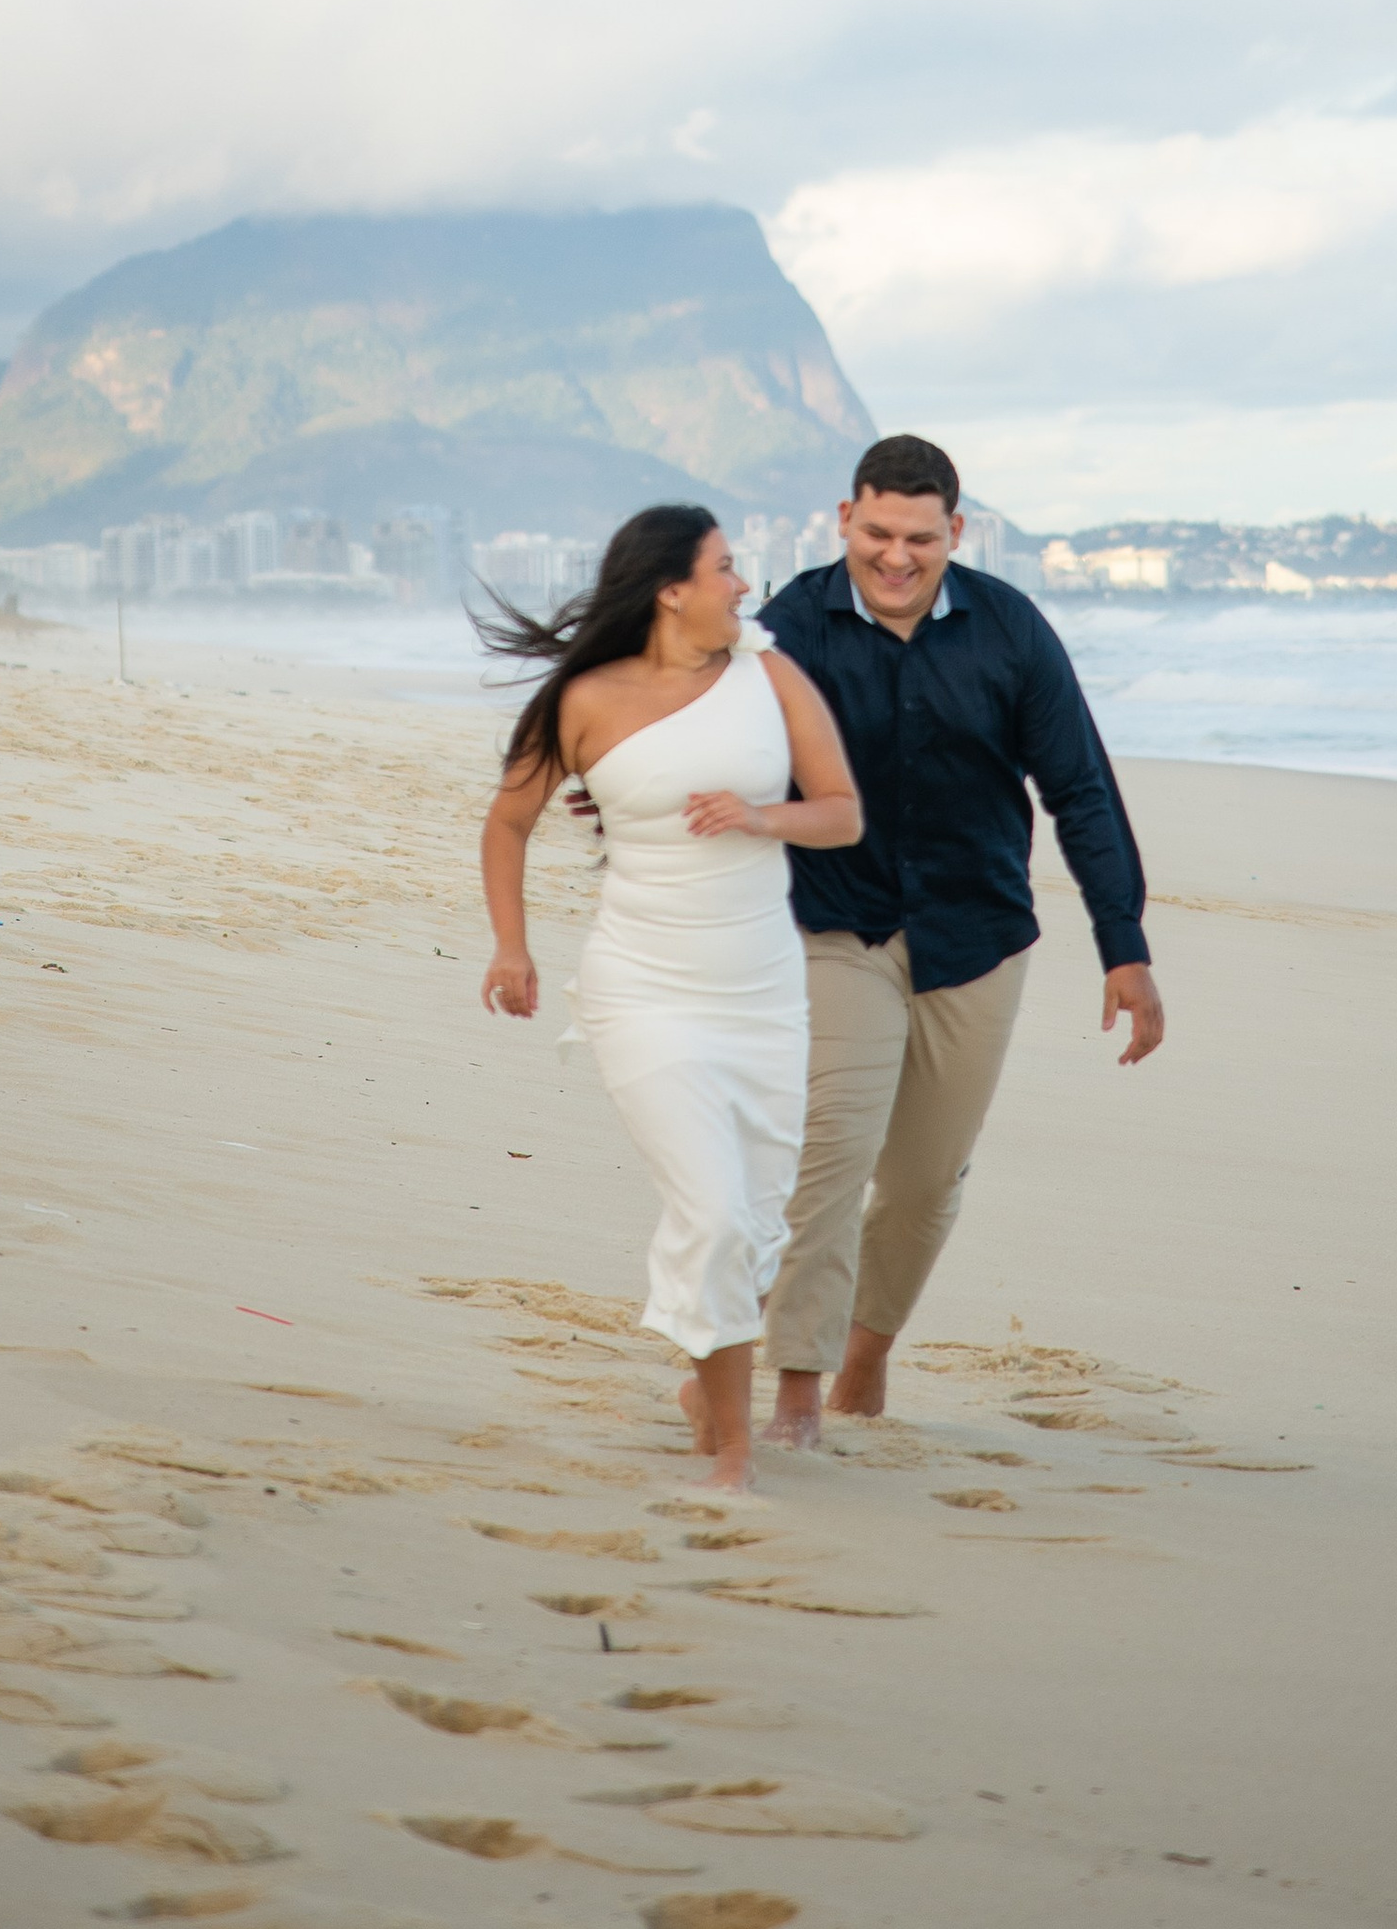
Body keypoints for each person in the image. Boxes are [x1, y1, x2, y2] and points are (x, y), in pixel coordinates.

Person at [753, 433, 1163, 1449]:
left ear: (956, 531)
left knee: (928, 1177)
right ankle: (795, 1391)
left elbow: (1079, 789)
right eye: (878, 532)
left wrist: (1124, 944)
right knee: (832, 1157)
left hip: (975, 933)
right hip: (832, 923)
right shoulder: (784, 626)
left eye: (920, 538)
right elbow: (704, 742)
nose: (897, 557)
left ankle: (866, 1354)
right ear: (843, 518)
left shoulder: (1009, 628)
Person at [477, 501, 861, 1495]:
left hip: (759, 992)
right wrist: (510, 947)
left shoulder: (769, 677)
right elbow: (509, 823)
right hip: (643, 989)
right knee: (714, 1207)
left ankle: (705, 1386)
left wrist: (760, 813)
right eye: (727, 567)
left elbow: (843, 812)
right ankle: (732, 1451)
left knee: (760, 1222)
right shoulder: (585, 698)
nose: (744, 584)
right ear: (671, 588)